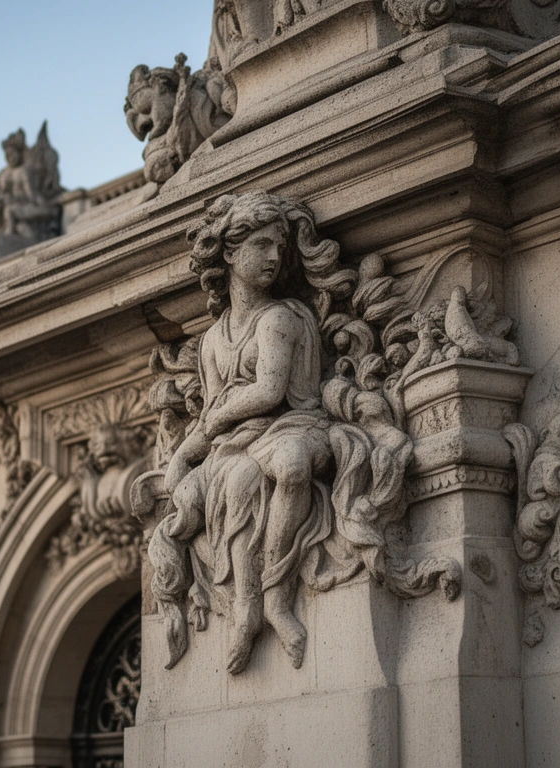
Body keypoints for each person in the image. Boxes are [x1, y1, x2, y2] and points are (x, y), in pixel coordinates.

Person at [160, 192, 352, 674]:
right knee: (239, 480)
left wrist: (218, 419)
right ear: (230, 253)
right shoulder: (210, 340)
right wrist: (184, 456)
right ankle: (248, 606)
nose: (273, 258)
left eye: (279, 249)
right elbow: (210, 422)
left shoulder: (279, 318)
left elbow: (269, 392)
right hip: (236, 445)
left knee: (289, 466)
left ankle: (277, 596)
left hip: (295, 423)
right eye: (262, 245)